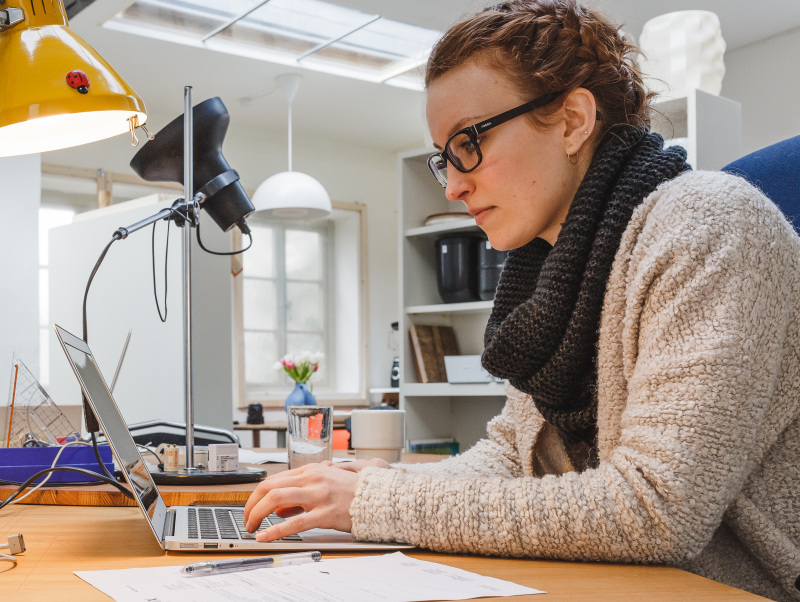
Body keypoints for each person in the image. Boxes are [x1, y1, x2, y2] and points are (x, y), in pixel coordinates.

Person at [245, 1, 800, 599]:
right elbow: (513, 457)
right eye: (443, 158)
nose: (454, 183)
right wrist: (381, 483)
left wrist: (381, 501)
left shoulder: (710, 225)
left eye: (468, 142)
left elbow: (658, 509)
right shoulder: (554, 271)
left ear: (571, 121)